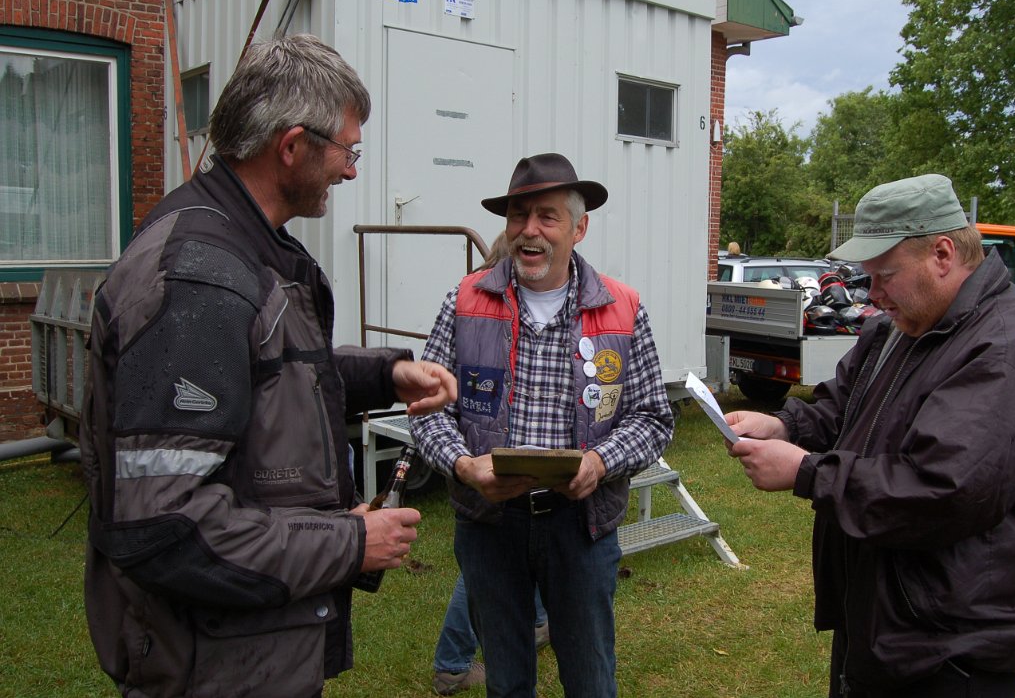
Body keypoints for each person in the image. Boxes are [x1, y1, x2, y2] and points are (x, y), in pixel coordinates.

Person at [79, 35, 456, 697]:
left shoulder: (247, 249)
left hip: (250, 649)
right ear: (291, 147)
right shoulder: (200, 282)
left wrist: (382, 375)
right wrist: (349, 543)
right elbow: (168, 526)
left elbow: (257, 374)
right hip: (213, 664)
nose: (351, 171)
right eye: (347, 150)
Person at [725, 173, 1015, 697]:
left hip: (949, 643)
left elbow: (943, 492)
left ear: (942, 254)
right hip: (887, 614)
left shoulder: (1003, 353)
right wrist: (784, 424)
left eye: (886, 274)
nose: (874, 293)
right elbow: (847, 408)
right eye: (868, 277)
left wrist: (805, 472)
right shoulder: (901, 326)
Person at [411, 152, 673, 697]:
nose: (529, 231)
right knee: (506, 680)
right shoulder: (464, 301)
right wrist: (464, 465)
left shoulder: (623, 308)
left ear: (579, 227)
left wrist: (600, 462)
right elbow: (429, 409)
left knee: (590, 676)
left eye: (547, 216)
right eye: (518, 215)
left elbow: (652, 416)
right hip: (490, 524)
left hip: (580, 527)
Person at [430, 231, 549, 697]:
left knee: (537, 546)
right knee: (484, 573)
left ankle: (536, 621)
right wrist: (467, 461)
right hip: (490, 486)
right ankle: (452, 663)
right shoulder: (475, 307)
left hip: (536, 486)